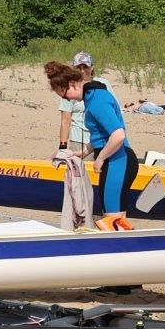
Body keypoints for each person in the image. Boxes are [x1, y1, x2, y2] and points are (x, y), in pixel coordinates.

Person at [46, 60, 139, 231]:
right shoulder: (92, 96)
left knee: (113, 221)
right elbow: (101, 135)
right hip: (116, 161)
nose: (66, 99)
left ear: (72, 84)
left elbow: (118, 135)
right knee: (113, 217)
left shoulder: (97, 101)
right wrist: (82, 153)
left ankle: (124, 252)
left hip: (119, 161)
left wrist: (100, 158)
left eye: (64, 95)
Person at [57, 51, 99, 158]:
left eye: (85, 67)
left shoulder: (101, 85)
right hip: (78, 141)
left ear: (92, 67)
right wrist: (63, 147)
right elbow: (65, 121)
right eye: (78, 67)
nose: (82, 70)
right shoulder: (69, 89)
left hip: (99, 140)